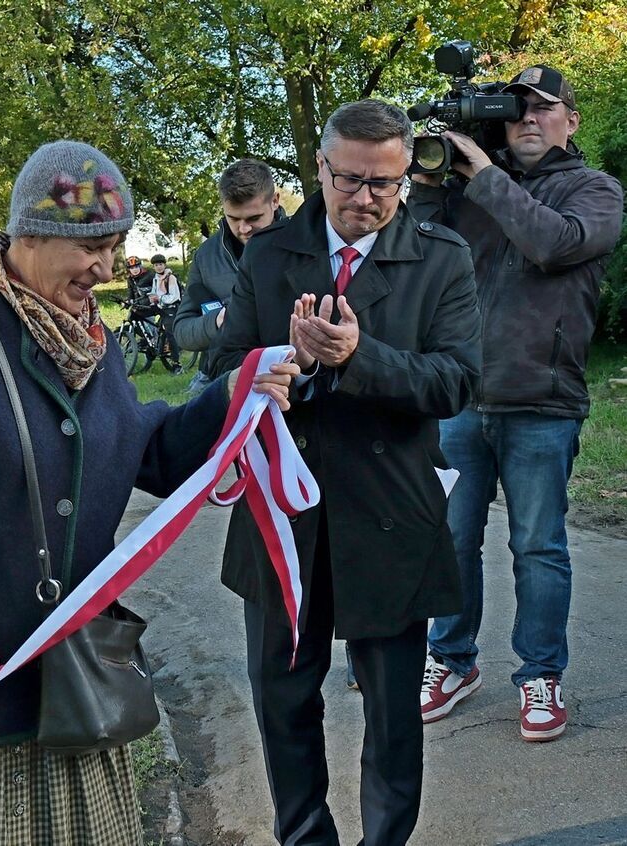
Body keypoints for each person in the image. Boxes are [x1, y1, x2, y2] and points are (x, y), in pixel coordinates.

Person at [0, 140, 297, 845]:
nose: (106, 270)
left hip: (72, 696)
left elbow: (142, 450)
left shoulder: (89, 341)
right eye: (92, 248)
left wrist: (231, 396)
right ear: (32, 236)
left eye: (115, 247)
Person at [209, 100, 481, 845]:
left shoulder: (442, 256)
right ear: (320, 169)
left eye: (385, 184)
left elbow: (457, 382)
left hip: (392, 513)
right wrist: (278, 365)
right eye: (350, 180)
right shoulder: (267, 254)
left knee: (394, 714)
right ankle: (305, 838)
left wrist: (359, 358)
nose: (366, 198)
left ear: (406, 177)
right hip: (282, 516)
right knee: (284, 702)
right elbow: (222, 363)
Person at [408, 65, 624, 741]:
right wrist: (426, 185)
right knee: (451, 539)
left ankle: (540, 675)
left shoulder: (594, 190)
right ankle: (451, 660)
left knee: (538, 546)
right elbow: (415, 250)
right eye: (516, 108)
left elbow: (552, 243)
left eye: (543, 108)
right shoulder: (470, 187)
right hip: (463, 397)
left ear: (571, 120)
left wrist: (483, 177)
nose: (528, 118)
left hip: (543, 399)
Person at [175, 159, 285, 398]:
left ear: (275, 201)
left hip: (285, 379)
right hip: (222, 379)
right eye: (233, 219)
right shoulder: (205, 256)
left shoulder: (304, 245)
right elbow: (182, 331)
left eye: (253, 218)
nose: (244, 229)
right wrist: (217, 321)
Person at [149, 253, 182, 371]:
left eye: (161, 264)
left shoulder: (170, 278)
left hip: (172, 307)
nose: (159, 267)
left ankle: (177, 363)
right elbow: (154, 292)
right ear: (153, 267)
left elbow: (174, 296)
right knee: (156, 327)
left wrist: (160, 298)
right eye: (156, 265)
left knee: (170, 333)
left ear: (164, 265)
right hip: (162, 307)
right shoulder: (156, 279)